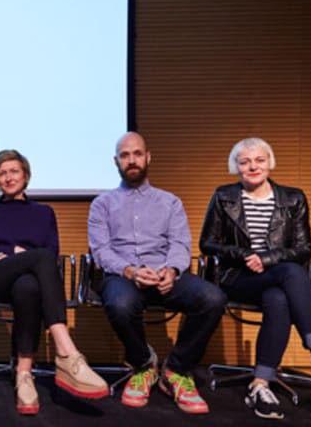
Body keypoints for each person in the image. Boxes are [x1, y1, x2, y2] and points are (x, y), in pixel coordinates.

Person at [199, 137, 311, 419]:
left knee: (278, 296)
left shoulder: (293, 198)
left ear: (270, 163)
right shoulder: (224, 196)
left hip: (277, 279)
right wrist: (244, 254)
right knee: (292, 272)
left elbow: (304, 248)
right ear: (235, 167)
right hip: (238, 277)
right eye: (245, 161)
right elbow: (207, 244)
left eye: (259, 160)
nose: (253, 166)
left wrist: (267, 259)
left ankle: (260, 383)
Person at [88, 132, 226, 414]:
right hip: (123, 275)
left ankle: (176, 369)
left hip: (165, 273)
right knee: (120, 303)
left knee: (213, 298)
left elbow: (180, 243)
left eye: (137, 154)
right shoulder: (102, 204)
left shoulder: (170, 202)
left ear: (148, 157)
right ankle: (143, 364)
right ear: (116, 162)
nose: (132, 160)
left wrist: (172, 270)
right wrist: (129, 271)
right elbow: (101, 251)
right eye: (125, 156)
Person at [0, 149, 108, 415]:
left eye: (14, 171)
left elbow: (52, 253)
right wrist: (10, 254)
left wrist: (14, 256)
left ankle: (24, 375)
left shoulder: (44, 212)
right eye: (2, 173)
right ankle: (66, 351)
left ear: (26, 175)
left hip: (28, 279)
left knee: (28, 286)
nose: (8, 178)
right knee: (39, 258)